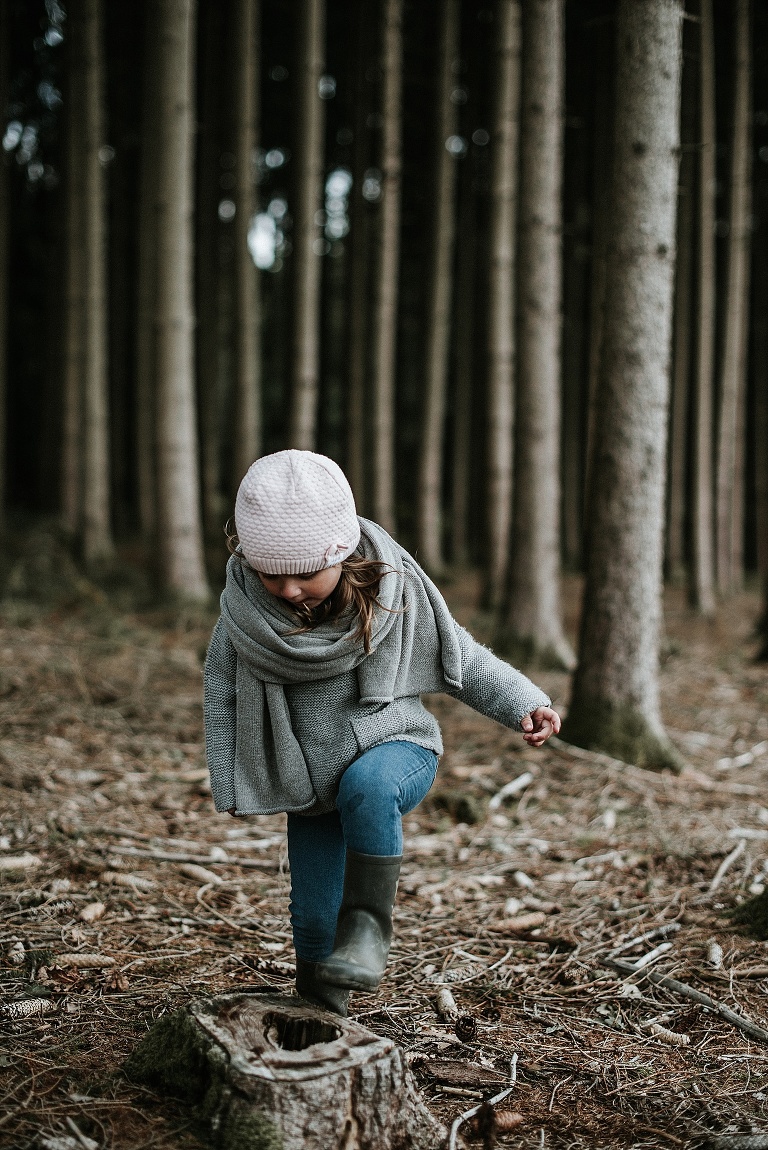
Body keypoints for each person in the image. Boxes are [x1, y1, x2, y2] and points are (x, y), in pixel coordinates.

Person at [204, 449, 560, 1017]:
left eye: (305, 574)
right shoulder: (245, 618)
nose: (289, 590)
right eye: (272, 574)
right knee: (313, 917)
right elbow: (222, 697)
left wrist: (524, 701)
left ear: (341, 553)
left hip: (394, 746)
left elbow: (462, 657)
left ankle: (370, 928)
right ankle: (321, 1016)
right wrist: (233, 781)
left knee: (367, 787)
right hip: (309, 781)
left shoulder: (392, 591)